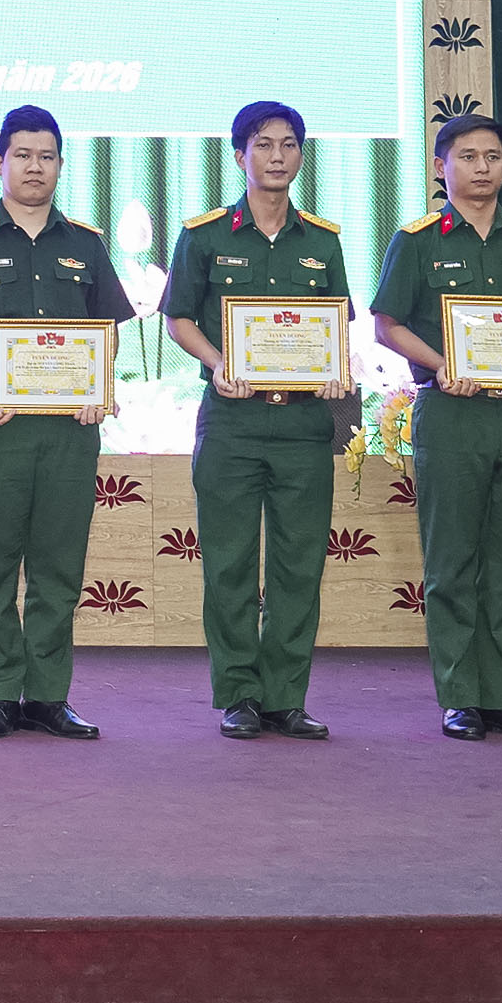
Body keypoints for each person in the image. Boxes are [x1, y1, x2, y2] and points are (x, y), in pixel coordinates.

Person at [0, 105, 130, 740]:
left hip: (69, 432)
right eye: (22, 155)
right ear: (0, 163)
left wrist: (98, 387)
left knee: (58, 568)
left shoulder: (86, 244)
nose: (34, 166)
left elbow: (107, 328)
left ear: (61, 165)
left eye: (46, 156)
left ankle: (47, 696)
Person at [370, 113, 502, 742]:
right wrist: (442, 364)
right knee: (452, 561)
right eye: (467, 156)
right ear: (442, 167)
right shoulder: (418, 240)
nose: (480, 167)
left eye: (492, 156)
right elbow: (387, 324)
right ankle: (460, 696)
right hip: (452, 413)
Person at [160, 101, 351, 741]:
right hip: (231, 423)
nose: (277, 156)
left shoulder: (323, 240)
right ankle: (239, 693)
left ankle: (285, 698)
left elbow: (336, 325)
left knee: (300, 565)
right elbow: (178, 317)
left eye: (289, 144)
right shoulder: (205, 235)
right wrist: (218, 362)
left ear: (301, 155)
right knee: (229, 564)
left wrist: (334, 369)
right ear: (240, 155)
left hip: (303, 425)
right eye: (263, 144)